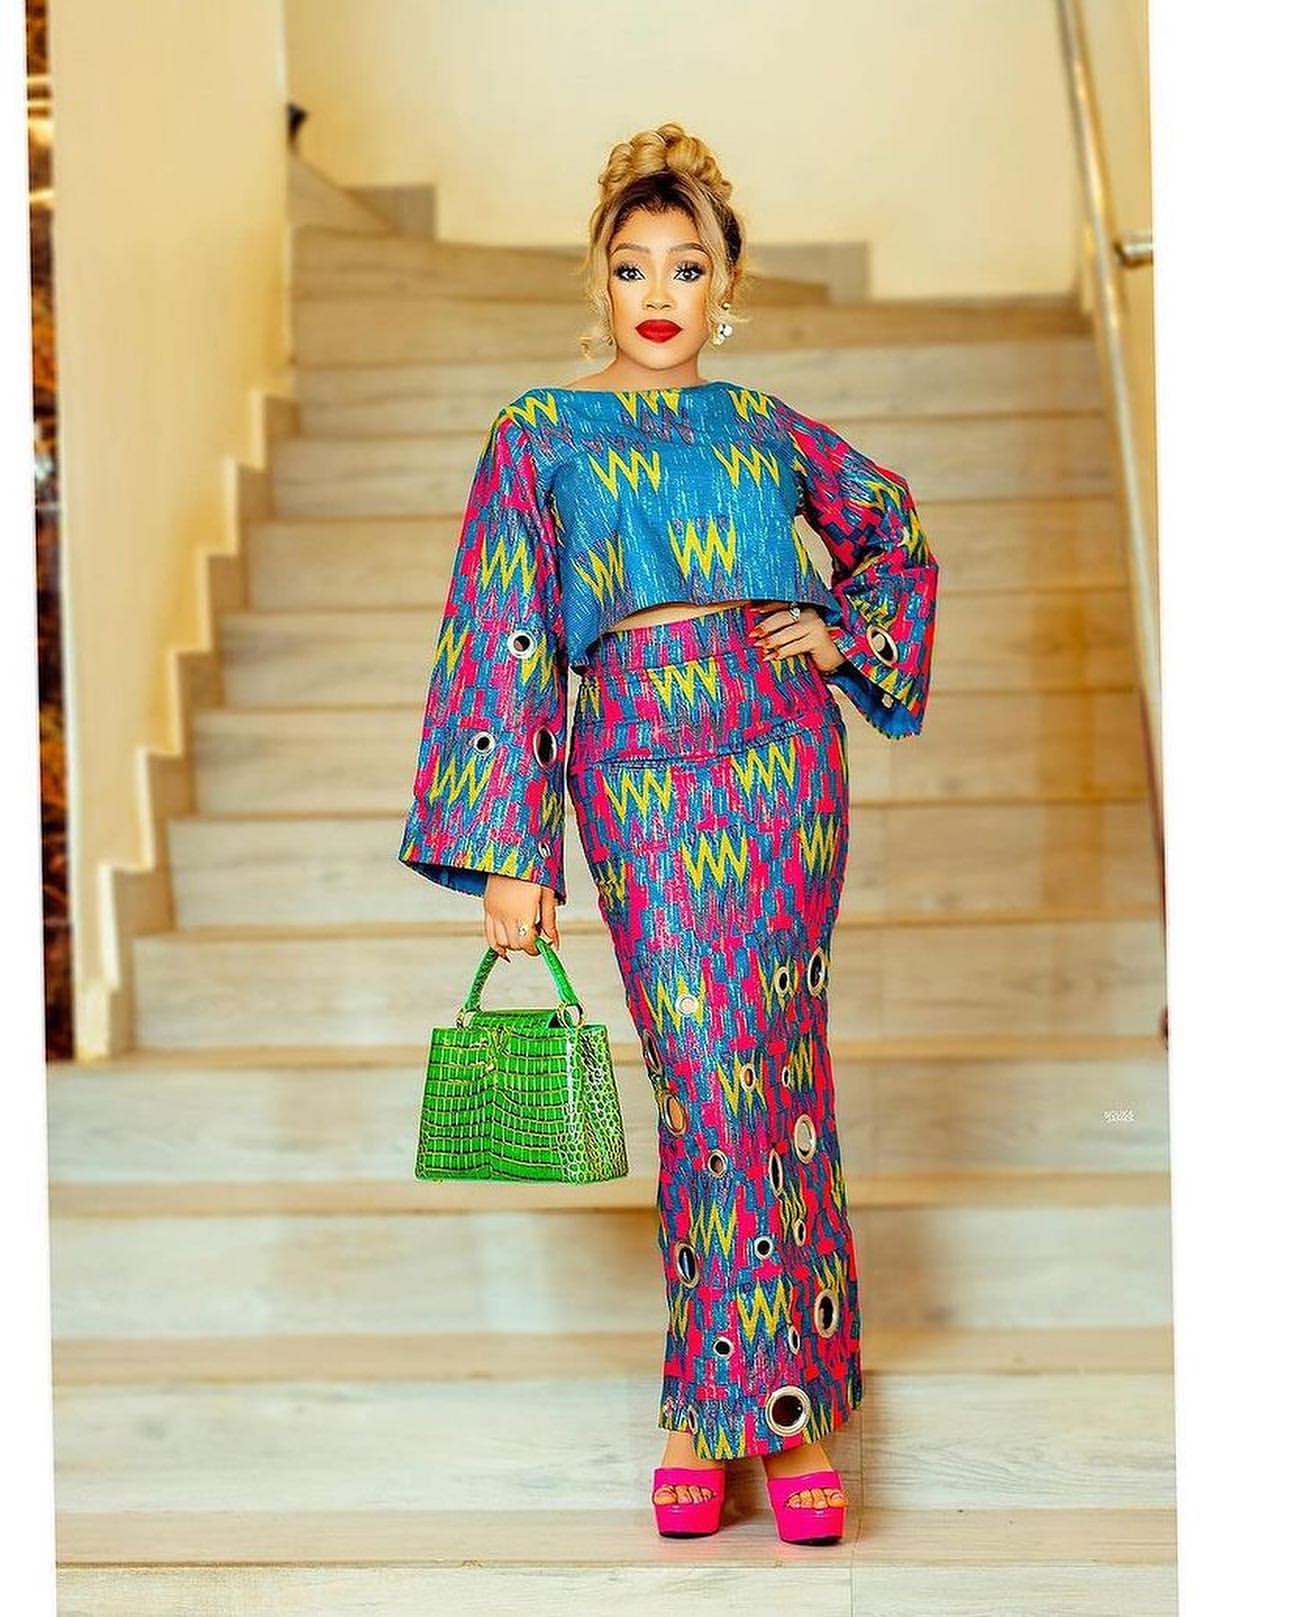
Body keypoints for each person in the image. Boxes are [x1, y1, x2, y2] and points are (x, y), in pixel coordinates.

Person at [398, 122, 938, 1545]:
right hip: (637, 773)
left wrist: (843, 633)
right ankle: (734, 1403)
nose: (657, 293)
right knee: (704, 1078)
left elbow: (890, 528)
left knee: (773, 1068)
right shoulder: (539, 435)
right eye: (632, 265)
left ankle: (777, 1412)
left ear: (724, 285)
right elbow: (502, 632)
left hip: (779, 761)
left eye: (686, 267)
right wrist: (511, 850)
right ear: (598, 279)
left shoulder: (762, 426)